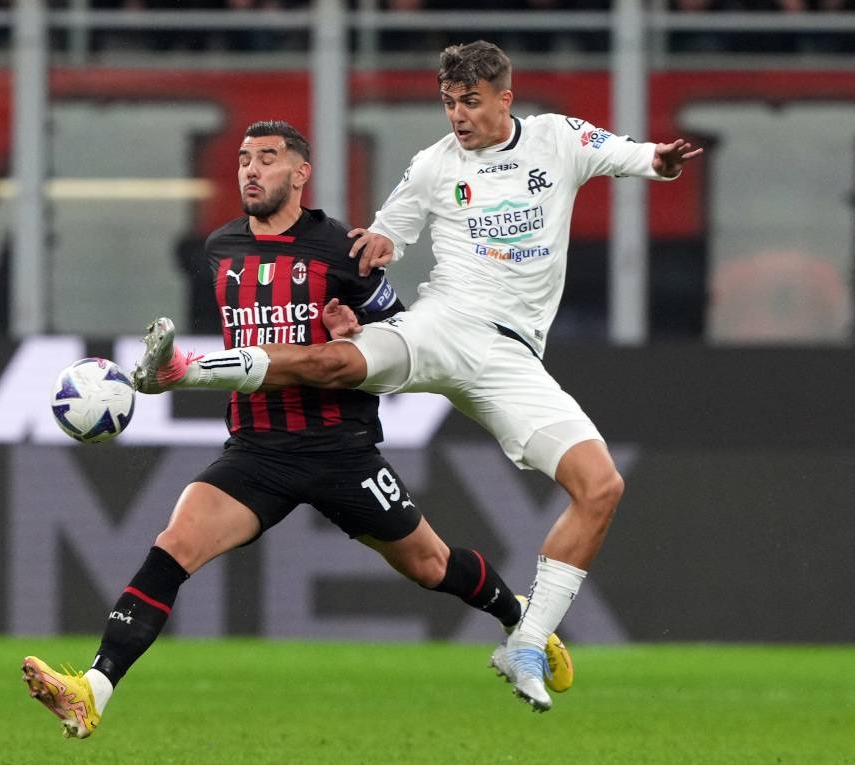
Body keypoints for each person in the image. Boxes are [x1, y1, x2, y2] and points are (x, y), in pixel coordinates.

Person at [133, 41, 704, 713]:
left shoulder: (557, 140)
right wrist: (376, 247)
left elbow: (632, 154)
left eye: (470, 102)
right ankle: (182, 368)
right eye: (448, 103)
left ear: (503, 99)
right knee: (334, 359)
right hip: (441, 326)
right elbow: (384, 237)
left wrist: (659, 164)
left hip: (511, 361)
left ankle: (526, 642)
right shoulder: (434, 165)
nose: (458, 117)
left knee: (601, 485)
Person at [21, 119, 572, 739]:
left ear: (299, 174)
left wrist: (357, 334)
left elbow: (408, 339)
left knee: (429, 565)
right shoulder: (221, 248)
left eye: (267, 158)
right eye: (243, 159)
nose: (250, 170)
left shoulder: (343, 249)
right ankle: (91, 690)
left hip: (342, 451)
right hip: (256, 451)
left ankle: (519, 616)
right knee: (172, 548)